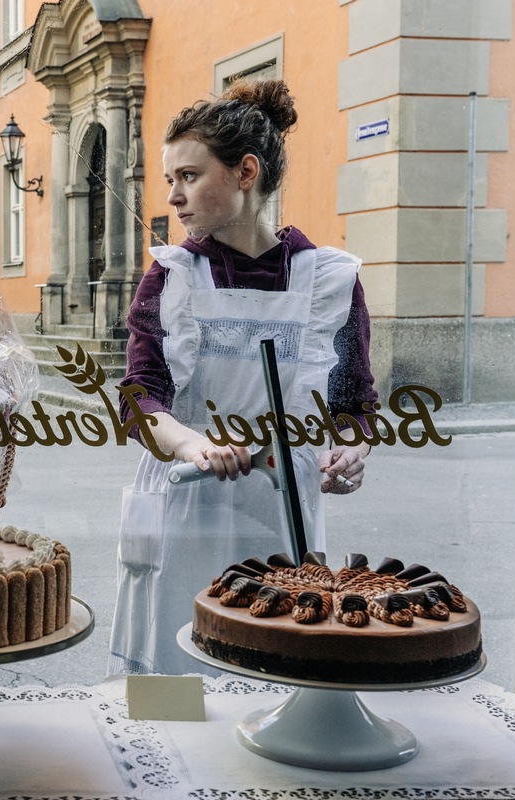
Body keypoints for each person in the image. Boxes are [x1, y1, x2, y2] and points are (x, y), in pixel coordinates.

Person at [108, 80, 378, 677]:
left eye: (188, 176)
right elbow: (139, 397)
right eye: (170, 180)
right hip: (186, 495)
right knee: (177, 679)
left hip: (283, 506)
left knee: (274, 668)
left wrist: (350, 450)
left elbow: (356, 401)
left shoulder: (330, 280)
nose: (174, 197)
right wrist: (194, 443)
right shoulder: (171, 276)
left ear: (245, 172)